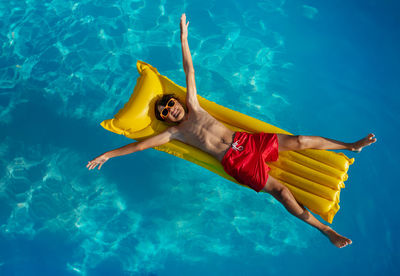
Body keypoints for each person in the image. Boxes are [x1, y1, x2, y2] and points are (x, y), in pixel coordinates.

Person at [87, 14, 377, 248]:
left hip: (248, 141)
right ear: (167, 120)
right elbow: (139, 146)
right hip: (237, 163)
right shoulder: (175, 134)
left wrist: (183, 39)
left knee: (301, 140)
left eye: (170, 104)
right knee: (283, 193)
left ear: (178, 102)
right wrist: (108, 155)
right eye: (164, 113)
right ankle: (327, 232)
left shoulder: (194, 106)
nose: (169, 110)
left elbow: (189, 71)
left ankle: (350, 145)